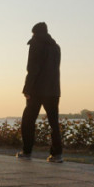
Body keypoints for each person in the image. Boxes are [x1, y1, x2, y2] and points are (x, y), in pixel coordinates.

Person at [16, 22, 64, 163]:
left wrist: (27, 89)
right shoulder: (56, 47)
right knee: (54, 123)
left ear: (35, 33)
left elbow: (32, 68)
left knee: (28, 121)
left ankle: (27, 151)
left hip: (37, 89)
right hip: (54, 90)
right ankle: (57, 154)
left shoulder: (36, 44)